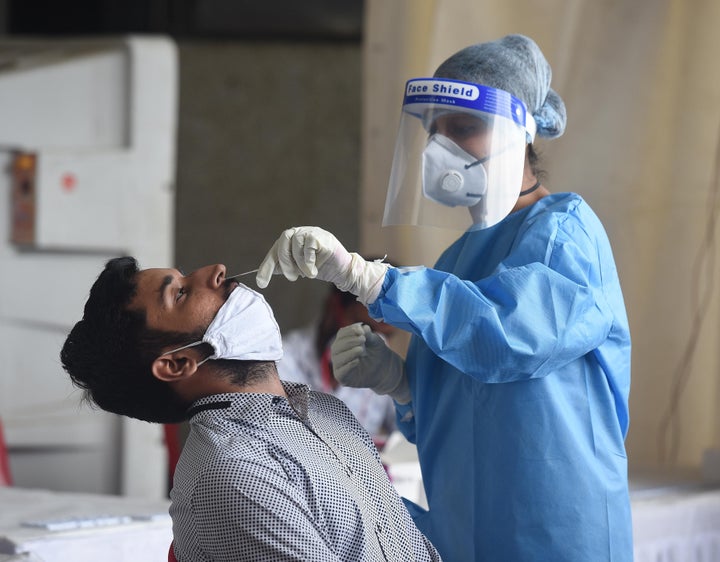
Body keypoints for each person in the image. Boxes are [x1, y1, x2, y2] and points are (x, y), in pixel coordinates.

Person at [255, 34, 632, 561]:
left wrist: (367, 278)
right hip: (464, 532)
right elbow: (466, 402)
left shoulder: (565, 234)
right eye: (435, 131)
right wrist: (402, 385)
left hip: (555, 533)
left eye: (465, 126)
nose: (440, 149)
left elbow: (509, 337)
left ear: (519, 131)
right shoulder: (455, 262)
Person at [59, 257, 442, 562]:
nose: (215, 271)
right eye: (180, 294)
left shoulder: (325, 410)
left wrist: (403, 390)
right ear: (177, 364)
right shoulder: (231, 474)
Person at [277, 281, 397, 444]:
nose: (376, 343)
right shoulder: (281, 361)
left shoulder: (387, 365)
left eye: (387, 336)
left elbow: (409, 434)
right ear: (335, 307)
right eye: (365, 328)